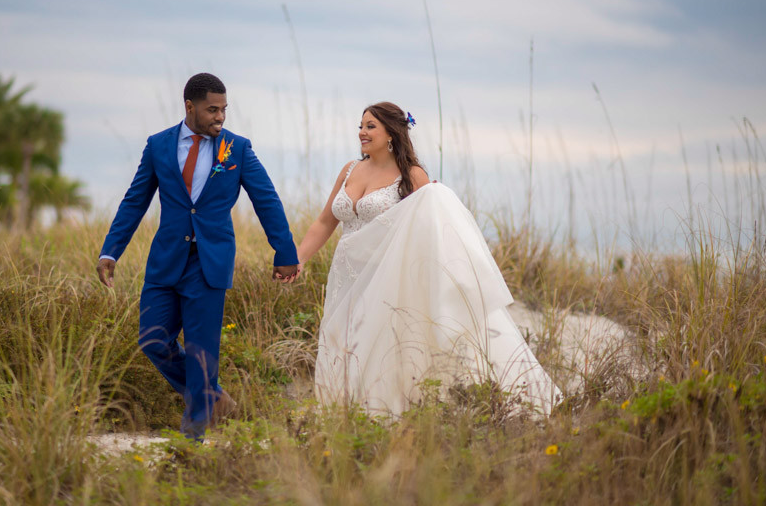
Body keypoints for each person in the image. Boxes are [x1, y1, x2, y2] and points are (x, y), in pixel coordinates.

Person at [296, 102, 561, 416]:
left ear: (391, 133)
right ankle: (341, 413)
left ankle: (378, 413)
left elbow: (432, 224)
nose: (362, 133)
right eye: (361, 126)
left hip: (385, 277)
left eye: (370, 126)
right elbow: (325, 222)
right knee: (339, 340)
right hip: (345, 276)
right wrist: (298, 259)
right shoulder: (349, 170)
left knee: (374, 345)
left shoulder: (412, 175)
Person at [97, 73, 299, 440]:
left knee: (202, 354)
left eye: (224, 109)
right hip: (165, 262)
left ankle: (190, 444)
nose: (220, 117)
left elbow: (266, 200)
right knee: (152, 340)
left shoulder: (237, 149)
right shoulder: (158, 145)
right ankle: (213, 397)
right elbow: (135, 201)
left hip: (209, 264)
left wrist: (284, 251)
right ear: (189, 107)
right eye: (212, 110)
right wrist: (111, 250)